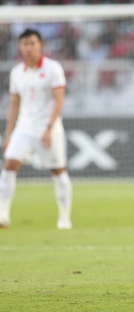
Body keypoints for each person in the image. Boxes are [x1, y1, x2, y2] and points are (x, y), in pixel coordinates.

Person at [0, 28, 72, 230]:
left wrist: (49, 127)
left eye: (32, 43)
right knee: (9, 165)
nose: (28, 47)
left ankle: (64, 219)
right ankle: (3, 215)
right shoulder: (16, 73)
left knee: (58, 171)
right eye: (25, 44)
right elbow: (14, 105)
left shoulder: (52, 68)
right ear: (20, 47)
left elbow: (59, 100)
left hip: (48, 129)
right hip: (24, 129)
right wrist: (9, 135)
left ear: (40, 45)